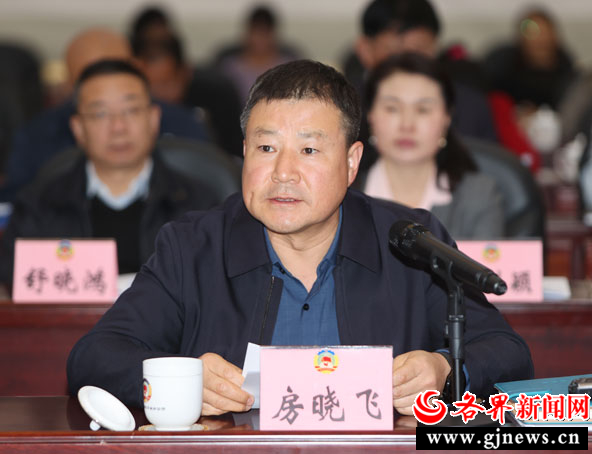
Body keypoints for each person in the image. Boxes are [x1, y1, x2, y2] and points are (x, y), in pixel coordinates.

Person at [67, 59, 532, 416]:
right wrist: (181, 379)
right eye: (266, 147)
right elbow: (94, 357)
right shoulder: (192, 247)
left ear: (351, 162)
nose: (283, 172)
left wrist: (446, 369)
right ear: (244, 152)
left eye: (309, 149)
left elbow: (507, 353)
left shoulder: (408, 243)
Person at [0, 59, 218, 285]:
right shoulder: (37, 207)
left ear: (153, 119)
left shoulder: (199, 205)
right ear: (78, 129)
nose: (118, 127)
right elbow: (9, 290)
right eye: (100, 114)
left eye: (131, 110)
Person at [0, 28, 209, 204]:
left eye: (115, 70)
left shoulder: (185, 126)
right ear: (68, 86)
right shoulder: (36, 136)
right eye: (99, 112)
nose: (118, 127)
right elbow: (12, 207)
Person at [359, 53, 504, 239]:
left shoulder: (478, 196)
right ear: (370, 115)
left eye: (423, 110)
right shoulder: (342, 194)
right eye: (392, 108)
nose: (407, 125)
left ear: (447, 119)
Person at [344, 0, 497, 172]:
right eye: (394, 53)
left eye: (418, 52)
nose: (407, 66)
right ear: (365, 49)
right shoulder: (340, 106)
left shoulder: (470, 107)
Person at [130, 6, 244, 158]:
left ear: (185, 73)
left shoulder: (217, 97)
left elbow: (234, 156)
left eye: (165, 84)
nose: (157, 94)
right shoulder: (130, 116)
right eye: (149, 88)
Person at [215, 4, 300, 106]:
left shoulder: (289, 67)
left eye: (264, 33)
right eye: (256, 33)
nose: (260, 40)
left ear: (273, 35)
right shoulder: (229, 67)